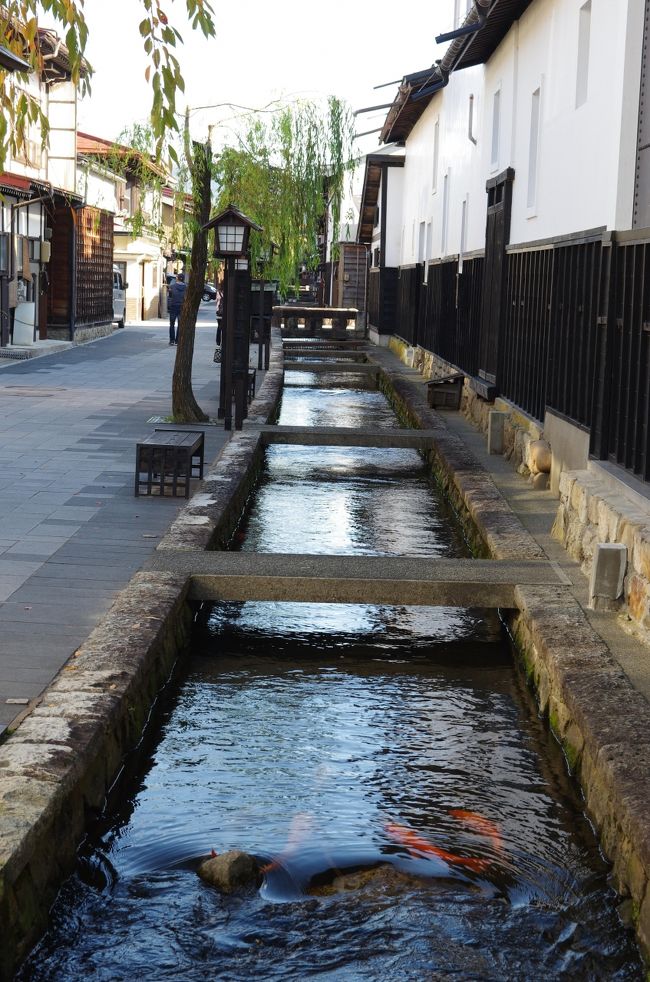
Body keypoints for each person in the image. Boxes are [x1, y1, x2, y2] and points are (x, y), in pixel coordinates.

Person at [167, 272, 187, 345]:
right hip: (182, 307)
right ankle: (177, 341)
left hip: (173, 306)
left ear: (177, 278)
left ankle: (172, 340)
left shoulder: (172, 286)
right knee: (180, 324)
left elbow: (170, 296)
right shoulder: (186, 287)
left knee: (172, 324)